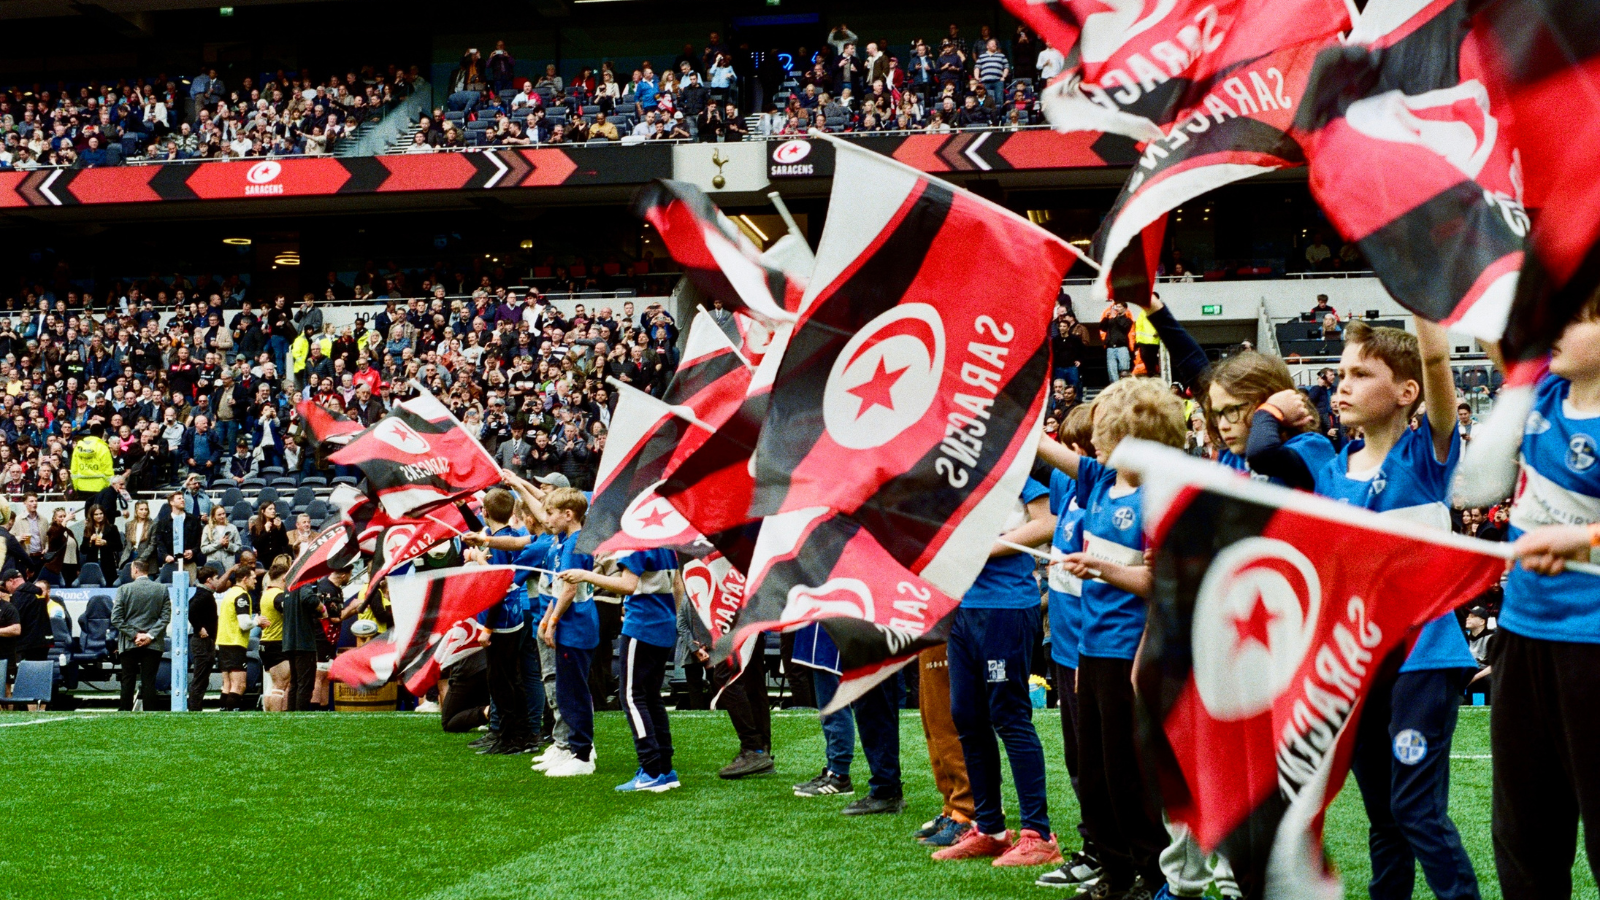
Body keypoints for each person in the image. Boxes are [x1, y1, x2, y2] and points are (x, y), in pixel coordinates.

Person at [1312, 318, 1480, 900]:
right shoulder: (1330, 472)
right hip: (1357, 664)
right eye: (1340, 374)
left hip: (1423, 659)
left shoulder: (1425, 455)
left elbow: (1436, 367)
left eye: (1361, 374)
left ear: (1406, 392)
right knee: (1383, 815)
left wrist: (1424, 306)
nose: (1342, 385)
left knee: (1416, 810)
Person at [1033, 377, 1190, 896]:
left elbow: (1157, 582)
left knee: (1129, 776)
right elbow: (1040, 445)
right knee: (1095, 773)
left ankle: (1155, 875)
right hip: (1090, 650)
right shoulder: (1100, 481)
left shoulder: (1159, 497)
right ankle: (1116, 871)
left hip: (1131, 652)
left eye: (1104, 429)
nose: (1092, 439)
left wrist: (1100, 568)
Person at [1496, 298, 1600, 899]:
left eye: (1576, 316)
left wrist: (1582, 538)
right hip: (1522, 637)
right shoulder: (1538, 397)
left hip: (1593, 650)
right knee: (1524, 836)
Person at [930, 472, 1061, 869]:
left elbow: (1047, 521)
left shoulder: (1012, 457)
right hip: (962, 606)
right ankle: (989, 828)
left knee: (1009, 716)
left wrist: (982, 549)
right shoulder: (952, 462)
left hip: (1005, 604)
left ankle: (1038, 834)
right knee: (966, 717)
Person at [1032, 404, 1104, 889]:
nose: (1072, 460)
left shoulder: (1105, 488)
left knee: (1101, 756)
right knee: (1078, 755)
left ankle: (1107, 849)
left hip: (1094, 646)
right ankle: (1094, 844)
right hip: (1063, 642)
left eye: (1081, 452)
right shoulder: (1065, 486)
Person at [563, 545, 683, 793]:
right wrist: (671, 617)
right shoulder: (668, 543)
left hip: (642, 626)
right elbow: (678, 587)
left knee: (632, 696)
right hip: (663, 625)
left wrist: (585, 575)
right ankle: (664, 769)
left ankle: (651, 769)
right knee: (651, 697)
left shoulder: (637, 541)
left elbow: (627, 585)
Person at [544, 487, 601, 777]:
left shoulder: (574, 544)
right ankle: (575, 748)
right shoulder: (567, 541)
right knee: (568, 691)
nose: (547, 518)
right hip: (574, 626)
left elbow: (569, 588)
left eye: (551, 513)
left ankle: (582, 752)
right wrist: (548, 620)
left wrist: (552, 621)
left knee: (573, 692)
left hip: (576, 627)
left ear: (568, 514)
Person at [110, 559, 171, 711]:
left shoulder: (124, 589)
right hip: (153, 643)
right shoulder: (162, 589)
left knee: (127, 679)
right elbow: (165, 618)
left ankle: (125, 713)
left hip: (129, 642)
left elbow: (116, 618)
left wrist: (134, 635)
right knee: (149, 680)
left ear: (135, 570)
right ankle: (150, 714)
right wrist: (149, 636)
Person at [213, 564, 257, 711]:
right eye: (253, 578)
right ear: (245, 579)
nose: (255, 581)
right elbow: (244, 624)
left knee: (227, 685)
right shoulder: (242, 596)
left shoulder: (229, 593)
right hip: (234, 643)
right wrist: (257, 621)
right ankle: (232, 716)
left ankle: (223, 715)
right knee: (239, 685)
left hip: (223, 642)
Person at [257, 556, 290, 712]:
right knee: (281, 684)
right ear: (284, 578)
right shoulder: (278, 595)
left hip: (266, 642)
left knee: (273, 685)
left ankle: (270, 717)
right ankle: (277, 718)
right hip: (277, 642)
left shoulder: (266, 594)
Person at [187, 566, 221, 711]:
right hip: (202, 642)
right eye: (216, 578)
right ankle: (194, 708)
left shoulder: (204, 594)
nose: (218, 581)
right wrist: (199, 627)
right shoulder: (204, 595)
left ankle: (196, 707)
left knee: (202, 678)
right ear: (209, 580)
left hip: (205, 641)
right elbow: (191, 610)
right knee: (200, 678)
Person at [155, 491, 202, 579]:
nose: (182, 500)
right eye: (179, 498)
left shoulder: (193, 520)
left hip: (189, 563)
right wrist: (165, 555)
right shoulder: (163, 522)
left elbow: (199, 539)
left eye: (183, 498)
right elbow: (159, 541)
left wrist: (193, 551)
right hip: (170, 562)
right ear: (171, 502)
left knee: (191, 587)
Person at [69, 420, 115, 501]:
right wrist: (109, 487)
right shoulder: (102, 448)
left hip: (81, 486)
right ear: (101, 434)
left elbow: (74, 469)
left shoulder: (78, 447)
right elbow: (108, 470)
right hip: (99, 487)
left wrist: (75, 485)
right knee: (97, 513)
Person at [80, 504, 122, 580]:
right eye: (96, 514)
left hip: (108, 563)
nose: (99, 516)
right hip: (93, 563)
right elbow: (83, 550)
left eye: (101, 514)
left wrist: (106, 543)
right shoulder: (88, 529)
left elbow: (119, 547)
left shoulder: (112, 528)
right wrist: (90, 541)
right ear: (92, 516)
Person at [1100, 303, 1134, 383]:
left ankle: (1125, 385)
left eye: (1119, 307)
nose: (1117, 308)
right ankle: (1115, 387)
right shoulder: (1111, 320)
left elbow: (1124, 328)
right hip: (1110, 347)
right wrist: (1106, 317)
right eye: (1116, 307)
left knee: (1124, 368)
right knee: (1112, 370)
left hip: (1122, 347)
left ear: (1125, 309)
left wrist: (1116, 318)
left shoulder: (1128, 320)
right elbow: (1102, 327)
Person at [124, 500, 156, 570]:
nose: (144, 512)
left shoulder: (153, 524)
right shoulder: (129, 525)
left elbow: (153, 544)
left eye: (146, 509)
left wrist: (141, 558)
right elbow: (126, 543)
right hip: (131, 555)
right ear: (136, 511)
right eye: (141, 509)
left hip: (147, 558)